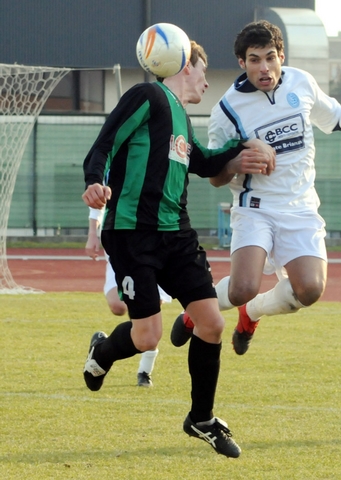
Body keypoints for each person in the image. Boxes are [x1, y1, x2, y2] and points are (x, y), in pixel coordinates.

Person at [169, 20, 341, 355]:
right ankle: (193, 314)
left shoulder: (301, 82)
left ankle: (252, 314)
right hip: (255, 207)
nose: (264, 67)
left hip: (300, 207)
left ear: (281, 55)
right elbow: (214, 175)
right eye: (255, 60)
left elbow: (337, 117)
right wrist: (237, 162)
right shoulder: (226, 110)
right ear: (242, 63)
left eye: (270, 57)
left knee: (310, 290)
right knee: (242, 288)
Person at [81, 38, 275, 458]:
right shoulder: (148, 95)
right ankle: (103, 350)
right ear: (186, 66)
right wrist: (95, 181)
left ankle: (201, 418)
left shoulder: (182, 119)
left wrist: (242, 150)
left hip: (177, 236)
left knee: (211, 324)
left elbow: (204, 162)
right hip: (134, 234)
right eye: (204, 71)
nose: (207, 82)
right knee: (147, 336)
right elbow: (105, 142)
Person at [85, 206, 173, 387]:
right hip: (121, 247)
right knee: (118, 306)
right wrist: (92, 234)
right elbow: (97, 202)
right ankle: (101, 349)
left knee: (152, 308)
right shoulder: (112, 179)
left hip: (155, 244)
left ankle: (144, 371)